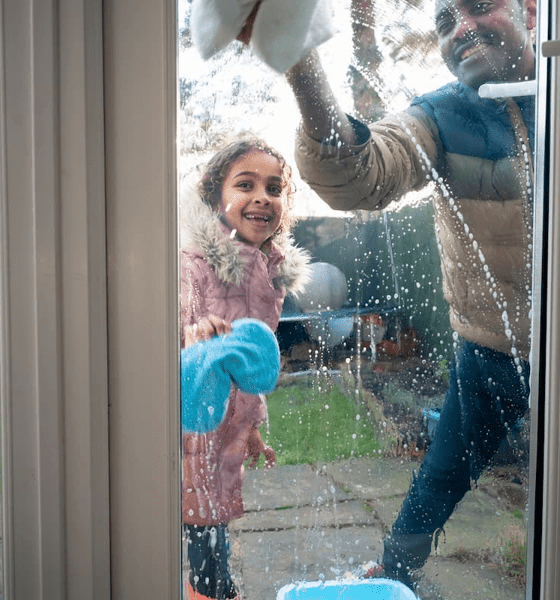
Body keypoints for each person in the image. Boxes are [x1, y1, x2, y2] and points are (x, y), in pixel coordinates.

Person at [246, 0, 537, 590]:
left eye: (481, 8)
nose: (463, 29)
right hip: (492, 349)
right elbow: (360, 173)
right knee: (440, 475)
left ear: (532, 9)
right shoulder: (442, 115)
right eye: (445, 22)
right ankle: (395, 570)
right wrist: (300, 60)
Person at [180, 137, 311, 600]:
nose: (262, 196)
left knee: (210, 527)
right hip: (190, 425)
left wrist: (252, 426)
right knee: (202, 531)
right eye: (245, 184)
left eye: (274, 188)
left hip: (225, 429)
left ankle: (213, 590)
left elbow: (252, 369)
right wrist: (194, 331)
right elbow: (177, 322)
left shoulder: (268, 277)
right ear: (216, 196)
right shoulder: (192, 265)